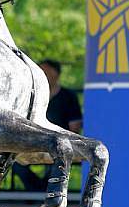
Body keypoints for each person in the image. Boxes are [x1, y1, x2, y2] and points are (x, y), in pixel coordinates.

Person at [12, 58, 83, 191]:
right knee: (15, 162)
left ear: (56, 74)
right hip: (33, 142)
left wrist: (69, 144)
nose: (42, 75)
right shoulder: (30, 95)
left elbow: (75, 125)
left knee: (58, 163)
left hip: (59, 143)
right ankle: (38, 192)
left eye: (46, 71)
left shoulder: (68, 97)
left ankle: (43, 194)